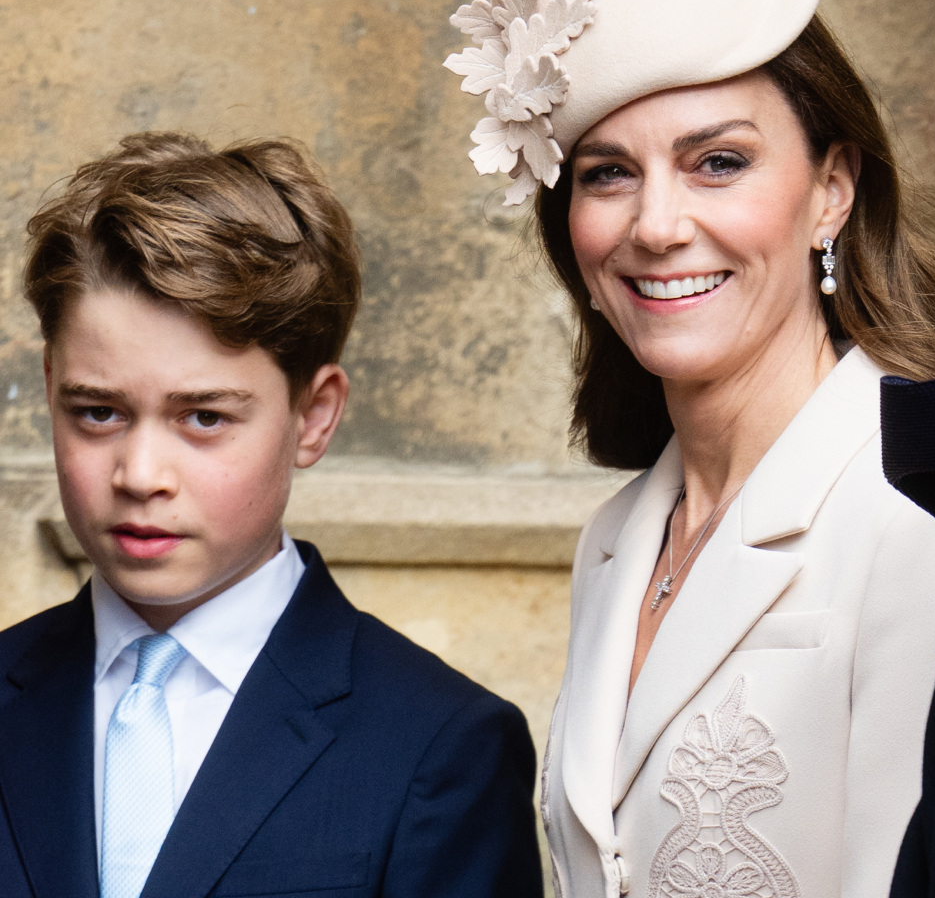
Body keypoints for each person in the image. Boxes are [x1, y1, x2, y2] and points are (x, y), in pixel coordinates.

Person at [440, 0, 935, 898]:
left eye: (719, 162)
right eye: (607, 175)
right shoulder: (617, 540)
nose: (658, 225)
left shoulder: (918, 496)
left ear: (832, 189)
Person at [0, 132, 542, 898]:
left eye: (205, 418)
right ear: (51, 384)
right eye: (97, 413)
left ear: (314, 416)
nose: (140, 475)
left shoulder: (440, 747)